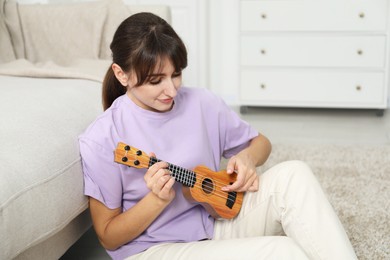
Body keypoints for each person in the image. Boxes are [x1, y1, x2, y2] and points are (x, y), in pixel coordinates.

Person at [79, 12, 357, 260]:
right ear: (122, 74)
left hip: (214, 222)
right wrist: (156, 200)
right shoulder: (103, 138)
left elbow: (261, 142)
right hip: (153, 249)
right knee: (285, 251)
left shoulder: (201, 102)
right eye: (155, 81)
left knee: (295, 174)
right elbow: (108, 236)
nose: (172, 90)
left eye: (176, 75)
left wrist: (247, 158)